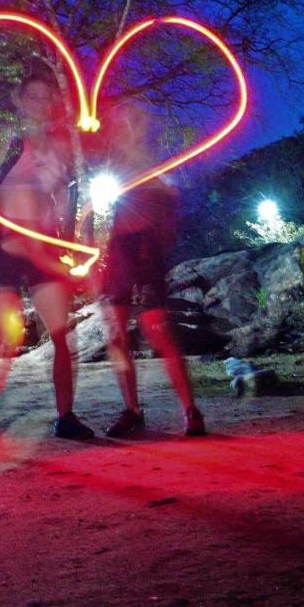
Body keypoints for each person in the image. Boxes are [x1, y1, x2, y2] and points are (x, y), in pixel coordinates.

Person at [0, 69, 95, 454]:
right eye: (32, 96)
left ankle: (66, 417)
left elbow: (62, 206)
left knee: (63, 336)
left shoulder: (60, 150)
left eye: (45, 97)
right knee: (9, 338)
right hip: (5, 248)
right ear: (19, 100)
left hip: (42, 248)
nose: (40, 103)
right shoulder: (6, 140)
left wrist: (71, 244)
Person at [94, 100, 206, 437]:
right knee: (115, 333)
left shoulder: (158, 163)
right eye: (121, 118)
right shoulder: (110, 166)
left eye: (136, 117)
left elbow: (170, 215)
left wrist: (157, 248)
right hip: (117, 253)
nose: (128, 123)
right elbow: (101, 216)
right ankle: (132, 409)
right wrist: (96, 258)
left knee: (157, 329)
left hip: (145, 252)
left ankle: (190, 409)